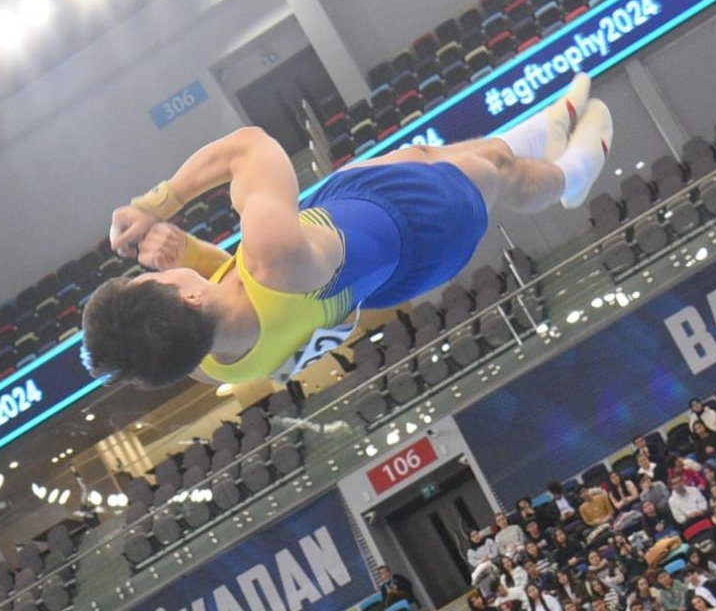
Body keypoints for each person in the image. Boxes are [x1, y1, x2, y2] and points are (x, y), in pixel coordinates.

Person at [81, 78, 613, 385]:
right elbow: (248, 146)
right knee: (499, 170)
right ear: (190, 297)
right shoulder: (272, 252)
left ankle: (545, 130)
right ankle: (573, 174)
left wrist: (193, 253)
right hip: (419, 229)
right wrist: (157, 203)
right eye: (149, 279)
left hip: (352, 230)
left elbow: (239, 299)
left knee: (428, 152)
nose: (154, 269)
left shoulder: (212, 367)